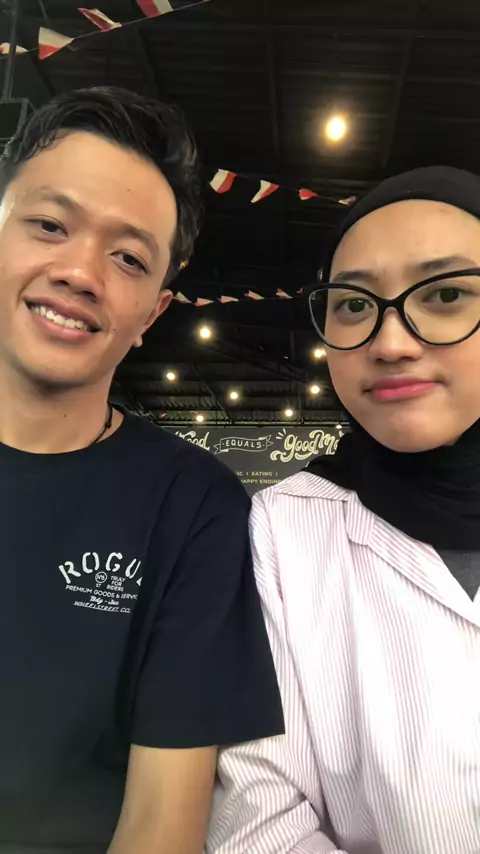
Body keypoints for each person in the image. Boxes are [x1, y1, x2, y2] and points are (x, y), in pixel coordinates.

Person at [0, 86, 284, 854]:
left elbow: (160, 824)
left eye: (128, 258)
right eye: (50, 225)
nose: (80, 272)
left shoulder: (191, 506)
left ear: (151, 315)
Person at [207, 166, 480, 854]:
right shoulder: (284, 529)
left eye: (446, 294)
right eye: (354, 305)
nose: (390, 343)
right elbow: (260, 820)